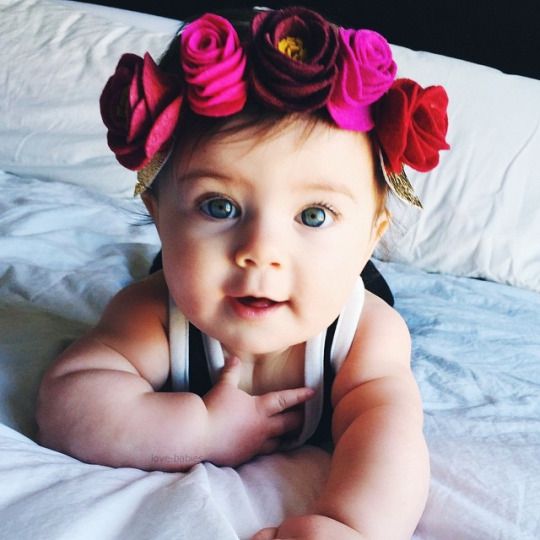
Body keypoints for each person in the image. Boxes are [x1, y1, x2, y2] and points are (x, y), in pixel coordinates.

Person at [37, 6, 449, 539]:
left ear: (371, 235)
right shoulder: (155, 313)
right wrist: (202, 431)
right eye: (219, 206)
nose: (260, 251)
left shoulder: (367, 334)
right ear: (159, 216)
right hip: (196, 284)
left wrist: (352, 526)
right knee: (177, 277)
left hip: (336, 296)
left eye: (313, 215)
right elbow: (66, 401)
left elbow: (389, 436)